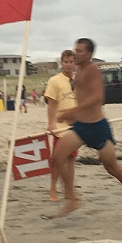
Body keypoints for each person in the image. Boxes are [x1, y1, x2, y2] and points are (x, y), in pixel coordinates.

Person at [53, 38, 122, 217]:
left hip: (98, 127)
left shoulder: (93, 70)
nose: (76, 53)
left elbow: (97, 98)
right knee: (57, 157)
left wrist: (73, 110)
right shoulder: (77, 70)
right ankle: (71, 198)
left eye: (79, 51)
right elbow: (81, 95)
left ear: (89, 54)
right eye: (75, 50)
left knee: (111, 167)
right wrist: (75, 115)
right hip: (81, 127)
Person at [44, 49, 77, 202]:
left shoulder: (78, 80)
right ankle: (52, 189)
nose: (68, 65)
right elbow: (51, 104)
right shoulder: (55, 81)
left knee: (71, 159)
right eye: (66, 62)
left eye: (71, 62)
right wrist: (51, 123)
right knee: (57, 160)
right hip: (59, 127)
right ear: (61, 63)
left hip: (75, 127)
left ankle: (69, 190)